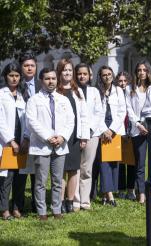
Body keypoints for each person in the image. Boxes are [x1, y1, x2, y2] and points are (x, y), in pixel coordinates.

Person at [26, 68, 75, 220]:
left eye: (53, 78)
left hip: (60, 145)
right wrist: (48, 137)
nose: (51, 81)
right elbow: (31, 121)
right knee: (40, 181)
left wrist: (62, 137)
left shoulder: (63, 99)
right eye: (47, 79)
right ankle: (42, 212)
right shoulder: (34, 100)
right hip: (42, 145)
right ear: (41, 80)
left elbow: (70, 121)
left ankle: (56, 210)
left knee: (57, 180)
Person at [56, 58, 89, 213]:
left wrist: (83, 136)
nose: (67, 72)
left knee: (74, 169)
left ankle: (70, 201)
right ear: (59, 72)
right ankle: (60, 201)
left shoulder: (78, 91)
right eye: (64, 70)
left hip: (75, 136)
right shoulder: (55, 91)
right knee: (61, 169)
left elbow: (83, 116)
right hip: (61, 136)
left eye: (69, 70)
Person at [0, 62, 29, 220]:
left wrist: (25, 138)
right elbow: (1, 121)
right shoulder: (1, 94)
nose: (14, 78)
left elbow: (27, 120)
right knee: (6, 177)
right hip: (7, 143)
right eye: (11, 75)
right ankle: (4, 210)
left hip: (22, 142)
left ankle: (17, 208)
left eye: (17, 76)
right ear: (6, 77)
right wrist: (11, 141)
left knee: (21, 176)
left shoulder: (23, 95)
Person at [73, 63, 103, 210]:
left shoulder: (94, 91)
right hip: (75, 135)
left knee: (87, 168)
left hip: (92, 135)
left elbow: (99, 112)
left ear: (89, 75)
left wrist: (89, 130)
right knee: (75, 168)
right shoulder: (71, 91)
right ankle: (75, 200)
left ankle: (85, 201)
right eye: (79, 73)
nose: (82, 76)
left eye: (85, 74)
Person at [95, 66, 126, 207]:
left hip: (115, 128)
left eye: (109, 74)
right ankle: (109, 195)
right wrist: (104, 130)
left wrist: (112, 130)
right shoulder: (97, 91)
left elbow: (122, 111)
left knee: (114, 162)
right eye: (104, 75)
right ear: (100, 77)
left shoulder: (118, 90)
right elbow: (95, 112)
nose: (107, 77)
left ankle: (108, 193)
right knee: (104, 162)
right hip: (101, 128)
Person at [125, 60, 151, 204]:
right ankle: (142, 193)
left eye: (144, 70)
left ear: (148, 71)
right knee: (140, 163)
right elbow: (129, 109)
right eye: (139, 70)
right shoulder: (130, 88)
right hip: (137, 129)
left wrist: (146, 123)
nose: (142, 72)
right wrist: (138, 124)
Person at [15, 52, 39, 213]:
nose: (29, 68)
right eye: (26, 65)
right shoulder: (14, 85)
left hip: (38, 136)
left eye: (32, 65)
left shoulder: (42, 84)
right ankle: (18, 205)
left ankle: (38, 205)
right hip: (20, 135)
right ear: (21, 67)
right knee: (20, 173)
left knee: (38, 173)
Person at [115, 71, 133, 200]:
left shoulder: (132, 93)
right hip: (119, 131)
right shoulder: (114, 94)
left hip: (131, 132)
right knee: (120, 163)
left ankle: (131, 189)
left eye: (124, 81)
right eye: (120, 81)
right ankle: (121, 189)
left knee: (131, 162)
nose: (122, 83)